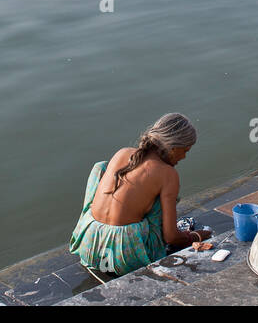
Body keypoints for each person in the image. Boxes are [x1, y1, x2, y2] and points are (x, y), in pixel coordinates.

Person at [70, 113, 209, 278]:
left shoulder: (122, 153)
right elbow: (171, 237)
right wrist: (196, 235)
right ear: (173, 148)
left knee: (101, 168)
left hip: (89, 247)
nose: (184, 157)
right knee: (161, 198)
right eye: (185, 151)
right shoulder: (168, 174)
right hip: (124, 258)